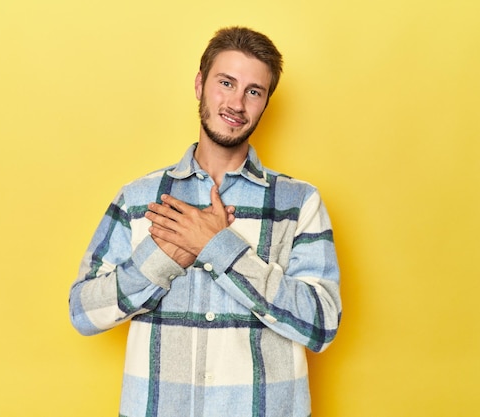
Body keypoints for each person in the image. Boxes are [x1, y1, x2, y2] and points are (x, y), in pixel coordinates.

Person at [69, 26, 341, 417]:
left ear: (266, 103)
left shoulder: (299, 203)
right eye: (225, 83)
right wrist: (162, 259)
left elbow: (322, 324)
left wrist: (220, 248)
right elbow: (82, 312)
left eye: (253, 91)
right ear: (200, 84)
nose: (236, 103)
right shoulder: (138, 197)